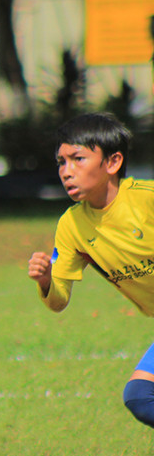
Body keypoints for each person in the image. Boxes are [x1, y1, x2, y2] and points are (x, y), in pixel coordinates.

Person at [28, 111, 154, 430]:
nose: (67, 172)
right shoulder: (72, 225)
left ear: (112, 163)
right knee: (141, 397)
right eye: (61, 162)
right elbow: (58, 301)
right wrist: (45, 281)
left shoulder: (145, 201)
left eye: (78, 159)